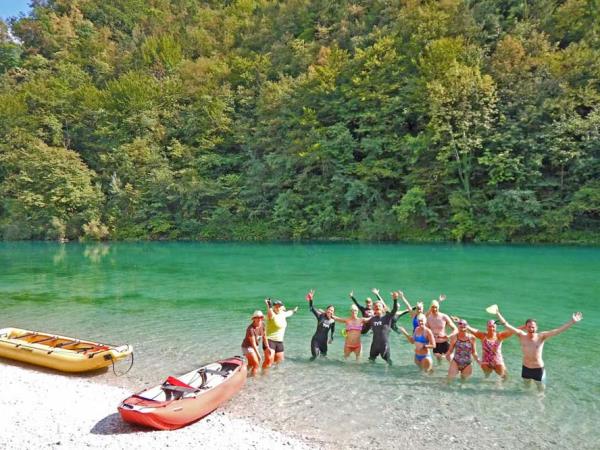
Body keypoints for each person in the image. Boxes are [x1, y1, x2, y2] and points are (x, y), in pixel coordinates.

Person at [496, 309, 583, 386]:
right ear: (526, 327)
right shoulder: (521, 335)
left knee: (540, 391)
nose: (531, 328)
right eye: (529, 327)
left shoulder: (541, 336)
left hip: (538, 369)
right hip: (526, 368)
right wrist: (497, 313)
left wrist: (572, 322)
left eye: (533, 327)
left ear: (536, 328)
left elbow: (557, 331)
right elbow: (506, 325)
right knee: (526, 387)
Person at [361, 291, 399, 365]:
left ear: (383, 308)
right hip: (374, 345)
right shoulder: (372, 319)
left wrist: (395, 299)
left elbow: (394, 310)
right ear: (374, 309)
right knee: (371, 361)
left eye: (379, 306)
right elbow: (364, 328)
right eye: (375, 306)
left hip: (384, 345)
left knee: (388, 362)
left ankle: (390, 375)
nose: (377, 307)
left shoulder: (387, 317)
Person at [263, 298, 298, 369]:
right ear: (273, 307)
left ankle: (275, 377)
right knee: (269, 360)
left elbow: (290, 312)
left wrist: (294, 310)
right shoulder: (271, 313)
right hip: (270, 340)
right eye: (276, 306)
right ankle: (263, 375)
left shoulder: (283, 314)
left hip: (279, 342)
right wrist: (268, 305)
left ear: (281, 307)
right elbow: (270, 314)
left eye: (279, 306)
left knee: (278, 362)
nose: (277, 307)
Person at [306, 290, 336, 360]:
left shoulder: (332, 321)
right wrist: (311, 299)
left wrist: (331, 338)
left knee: (324, 357)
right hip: (316, 340)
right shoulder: (320, 316)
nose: (330, 311)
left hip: (324, 342)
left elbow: (332, 330)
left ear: (333, 312)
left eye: (332, 310)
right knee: (315, 357)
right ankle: (308, 367)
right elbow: (312, 308)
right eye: (329, 309)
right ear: (326, 310)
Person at [241, 310, 269, 376]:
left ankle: (243, 374)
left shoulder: (263, 324)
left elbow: (264, 337)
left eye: (261, 317)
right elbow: (253, 344)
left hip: (254, 347)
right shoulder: (250, 329)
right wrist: (259, 355)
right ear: (254, 318)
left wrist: (268, 347)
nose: (259, 319)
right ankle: (254, 380)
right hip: (247, 347)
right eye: (257, 317)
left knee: (251, 364)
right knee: (256, 364)